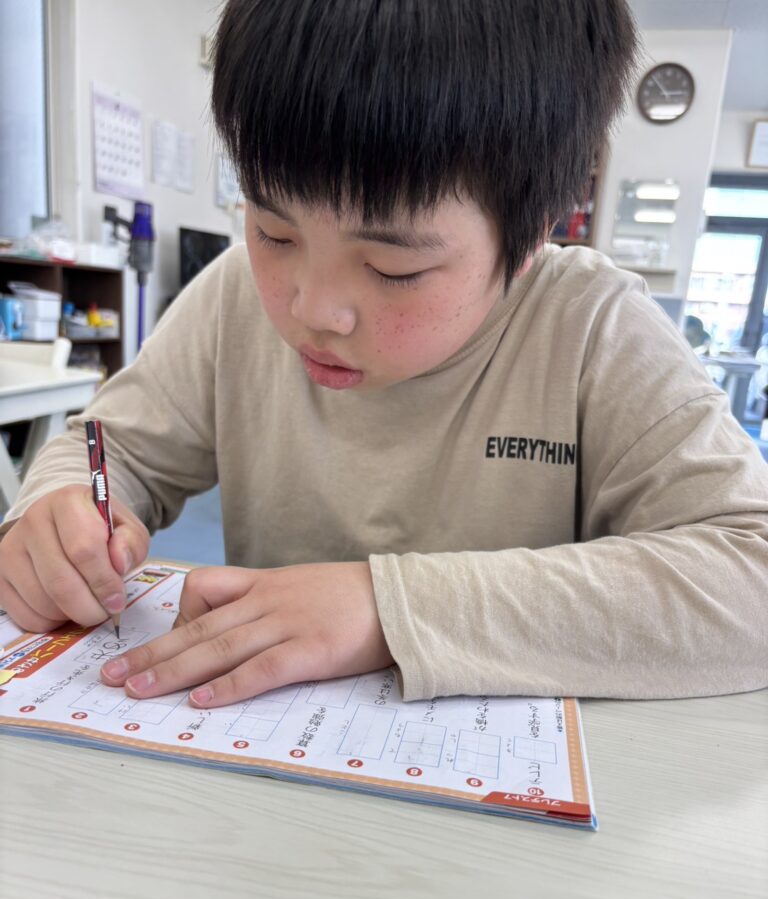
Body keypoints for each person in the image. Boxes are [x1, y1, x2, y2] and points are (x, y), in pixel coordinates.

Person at [2, 0, 767, 709]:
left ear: (532, 237)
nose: (312, 309)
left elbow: (751, 575)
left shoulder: (592, 326)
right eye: (273, 231)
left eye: (394, 268)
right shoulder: (233, 297)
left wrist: (391, 608)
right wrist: (59, 516)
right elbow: (109, 451)